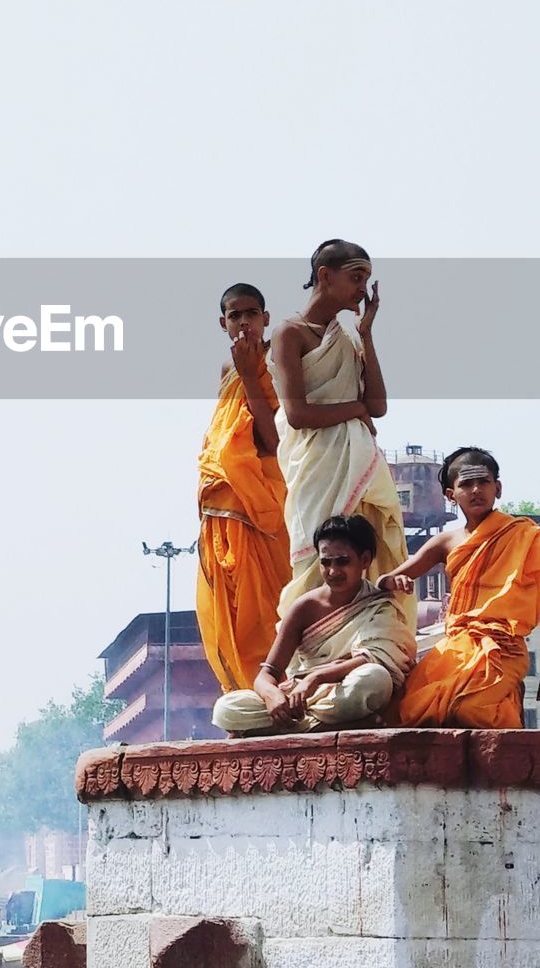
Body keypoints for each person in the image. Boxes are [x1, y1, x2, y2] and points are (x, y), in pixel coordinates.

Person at [268, 241, 411, 624]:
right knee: (319, 559)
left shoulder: (347, 339)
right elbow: (298, 414)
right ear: (325, 276)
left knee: (375, 553)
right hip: (316, 465)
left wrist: (366, 334)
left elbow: (378, 405)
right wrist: (357, 409)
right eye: (356, 277)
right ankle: (309, 655)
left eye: (365, 278)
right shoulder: (289, 333)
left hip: (359, 462)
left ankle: (370, 644)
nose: (363, 288)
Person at [381, 446, 540, 728]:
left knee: (470, 710)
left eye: (483, 482)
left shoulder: (523, 536)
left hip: (504, 648)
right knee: (412, 709)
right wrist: (395, 581)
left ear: (498, 488)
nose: (476, 490)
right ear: (450, 495)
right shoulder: (445, 542)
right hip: (457, 646)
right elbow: (386, 580)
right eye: (466, 484)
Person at [213, 515, 416, 734]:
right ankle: (324, 726)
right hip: (299, 698)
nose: (333, 571)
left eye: (342, 561)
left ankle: (286, 729)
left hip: (341, 691)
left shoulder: (378, 604)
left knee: (375, 679)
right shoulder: (304, 607)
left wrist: (316, 678)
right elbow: (268, 673)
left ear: (365, 560)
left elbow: (371, 658)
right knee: (226, 708)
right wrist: (273, 698)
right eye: (325, 562)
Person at [196, 282, 293, 691]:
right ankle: (244, 694)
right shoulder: (224, 370)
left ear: (265, 318)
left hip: (266, 500)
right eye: (235, 316)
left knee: (267, 604)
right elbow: (222, 439)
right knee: (232, 606)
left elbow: (274, 441)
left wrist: (253, 375)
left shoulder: (280, 360)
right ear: (223, 323)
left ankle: (278, 686)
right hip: (221, 499)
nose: (243, 323)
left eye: (251, 314)